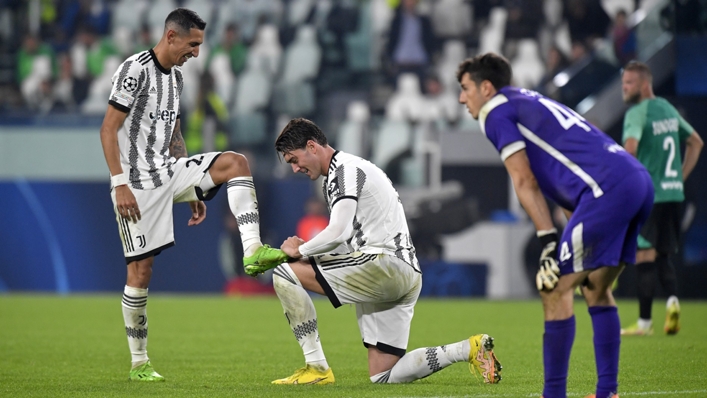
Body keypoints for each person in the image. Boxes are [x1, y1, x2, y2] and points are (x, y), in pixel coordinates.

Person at [98, 8, 287, 382]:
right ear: (171, 36)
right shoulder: (134, 70)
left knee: (236, 163)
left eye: (199, 45)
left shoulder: (178, 79)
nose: (196, 52)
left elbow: (174, 134)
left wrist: (191, 189)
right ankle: (139, 363)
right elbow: (108, 129)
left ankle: (252, 251)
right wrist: (119, 182)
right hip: (134, 183)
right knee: (141, 271)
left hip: (169, 171)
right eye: (193, 44)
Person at [245, 118, 502, 385]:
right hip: (406, 272)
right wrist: (308, 254)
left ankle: (316, 368)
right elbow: (347, 241)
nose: (295, 168)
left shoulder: (344, 171)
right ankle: (468, 349)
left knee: (285, 273)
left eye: (294, 160)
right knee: (383, 375)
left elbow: (338, 232)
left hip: (383, 263)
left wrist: (295, 253)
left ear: (312, 146)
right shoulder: (348, 171)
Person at [457, 53, 653, 398]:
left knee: (554, 290)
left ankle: (554, 395)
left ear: (486, 88)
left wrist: (547, 239)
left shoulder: (495, 111)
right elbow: (565, 187)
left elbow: (524, 180)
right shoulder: (529, 99)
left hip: (605, 190)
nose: (462, 98)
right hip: (635, 181)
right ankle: (607, 391)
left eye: (465, 88)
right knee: (595, 287)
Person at [619, 61, 703, 336]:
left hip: (650, 196)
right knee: (664, 254)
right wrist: (679, 176)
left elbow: (629, 151)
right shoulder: (667, 109)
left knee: (644, 254)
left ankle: (644, 322)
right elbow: (696, 142)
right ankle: (673, 302)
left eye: (629, 83)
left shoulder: (637, 113)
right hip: (673, 194)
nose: (624, 87)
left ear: (644, 85)